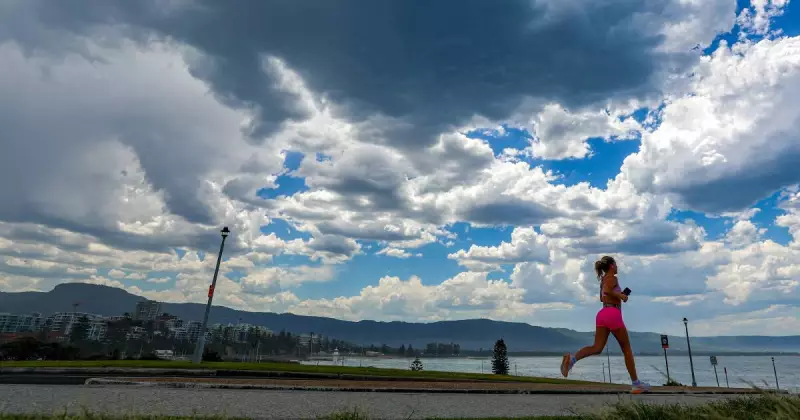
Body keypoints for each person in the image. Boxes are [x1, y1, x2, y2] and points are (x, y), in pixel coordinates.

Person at [560, 255, 650, 394]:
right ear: (612, 265)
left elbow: (603, 296)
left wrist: (618, 295)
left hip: (602, 313)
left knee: (596, 347)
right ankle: (636, 384)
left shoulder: (603, 280)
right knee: (626, 349)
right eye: (616, 264)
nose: (618, 266)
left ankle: (571, 360)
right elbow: (608, 292)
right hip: (612, 313)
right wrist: (622, 296)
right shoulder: (612, 278)